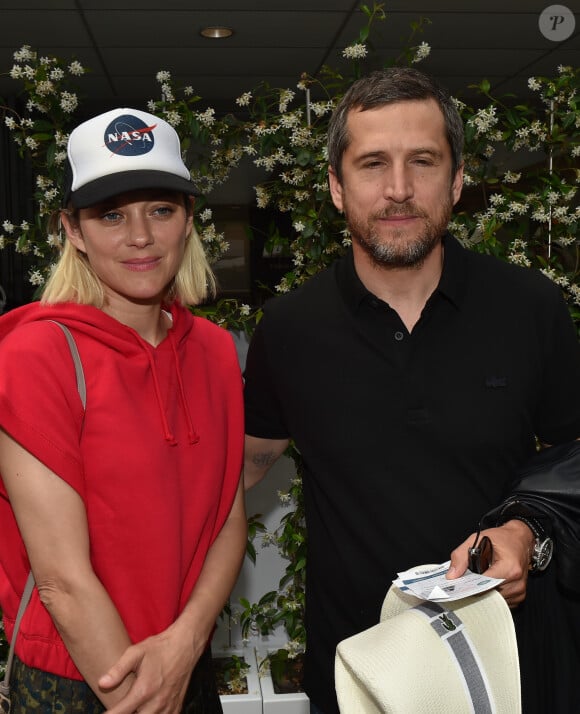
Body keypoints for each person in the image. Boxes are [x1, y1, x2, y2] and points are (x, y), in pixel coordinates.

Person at [242, 67, 580, 714]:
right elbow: (238, 467)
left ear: (456, 181)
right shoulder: (290, 328)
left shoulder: (530, 308)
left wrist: (526, 533)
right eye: (372, 164)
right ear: (338, 189)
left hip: (509, 667)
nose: (398, 190)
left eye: (422, 161)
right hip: (361, 675)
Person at [0, 107, 246, 713]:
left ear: (188, 221)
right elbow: (61, 579)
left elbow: (227, 521)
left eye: (160, 210)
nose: (140, 236)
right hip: (79, 677)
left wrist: (186, 645)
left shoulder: (215, 350)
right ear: (74, 230)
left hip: (185, 663)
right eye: (111, 215)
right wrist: (143, 697)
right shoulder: (36, 354)